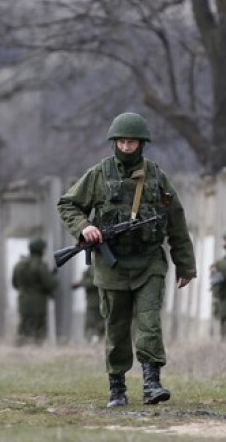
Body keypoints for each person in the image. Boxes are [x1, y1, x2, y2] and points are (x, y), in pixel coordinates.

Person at [57, 111, 197, 408]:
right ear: (114, 142)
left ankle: (152, 383)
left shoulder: (156, 177)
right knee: (116, 327)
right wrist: (85, 227)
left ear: (141, 143)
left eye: (131, 142)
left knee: (149, 323)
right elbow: (68, 204)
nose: (126, 147)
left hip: (149, 262)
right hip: (112, 266)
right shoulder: (98, 175)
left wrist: (185, 265)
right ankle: (117, 388)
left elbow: (176, 222)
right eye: (121, 141)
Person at [11, 237, 58, 344]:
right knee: (39, 329)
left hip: (23, 301)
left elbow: (14, 284)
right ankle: (36, 349)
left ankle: (21, 348)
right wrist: (54, 277)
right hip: (38, 303)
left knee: (24, 326)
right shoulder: (40, 265)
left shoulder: (19, 264)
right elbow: (50, 284)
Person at [73, 266, 105, 342]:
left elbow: (95, 281)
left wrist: (81, 283)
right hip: (93, 301)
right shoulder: (92, 266)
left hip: (96, 301)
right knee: (91, 323)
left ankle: (94, 340)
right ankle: (91, 340)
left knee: (95, 323)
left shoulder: (96, 266)